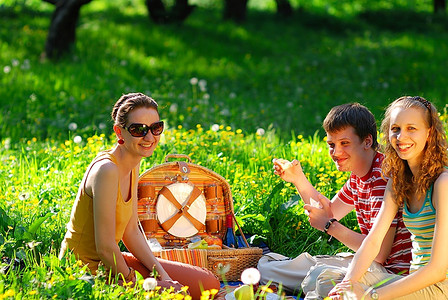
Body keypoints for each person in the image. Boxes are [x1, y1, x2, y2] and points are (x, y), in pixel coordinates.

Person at [59, 92, 220, 299]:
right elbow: (105, 247)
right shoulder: (107, 170)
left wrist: (163, 277)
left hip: (111, 263)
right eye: (138, 130)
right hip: (85, 273)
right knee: (179, 295)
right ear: (119, 131)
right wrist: (136, 284)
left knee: (208, 283)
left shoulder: (133, 164)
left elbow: (131, 231)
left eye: (156, 128)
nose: (150, 137)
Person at [261, 103, 412, 299]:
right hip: (370, 264)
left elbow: (380, 253)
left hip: (391, 274)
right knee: (267, 270)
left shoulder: (382, 176)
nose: (336, 152)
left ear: (367, 141)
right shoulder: (359, 175)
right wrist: (298, 178)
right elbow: (329, 211)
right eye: (332, 145)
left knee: (317, 276)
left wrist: (330, 226)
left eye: (344, 143)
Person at [328, 96, 448, 299]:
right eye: (396, 129)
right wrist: (348, 285)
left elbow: (437, 269)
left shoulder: (442, 183)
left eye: (412, 128)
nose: (401, 137)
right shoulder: (399, 180)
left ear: (429, 133)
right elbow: (374, 240)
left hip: (439, 287)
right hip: (411, 281)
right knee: (331, 280)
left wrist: (371, 295)